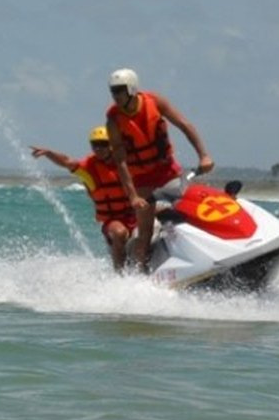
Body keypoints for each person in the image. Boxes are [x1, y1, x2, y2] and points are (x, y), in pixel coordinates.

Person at [105, 67, 214, 271]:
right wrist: (132, 197)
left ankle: (209, 251)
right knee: (145, 230)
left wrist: (203, 155)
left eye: (120, 90)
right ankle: (140, 274)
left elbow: (184, 125)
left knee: (193, 206)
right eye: (113, 91)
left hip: (168, 172)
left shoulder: (155, 102)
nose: (116, 96)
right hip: (142, 180)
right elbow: (120, 162)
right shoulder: (113, 120)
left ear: (131, 89)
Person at [30, 126, 136, 272]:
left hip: (135, 214)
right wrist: (48, 153)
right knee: (119, 233)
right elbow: (67, 161)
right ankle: (120, 275)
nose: (99, 148)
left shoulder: (125, 162)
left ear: (111, 144)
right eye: (95, 144)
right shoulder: (88, 168)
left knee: (166, 211)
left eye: (103, 143)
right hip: (113, 220)